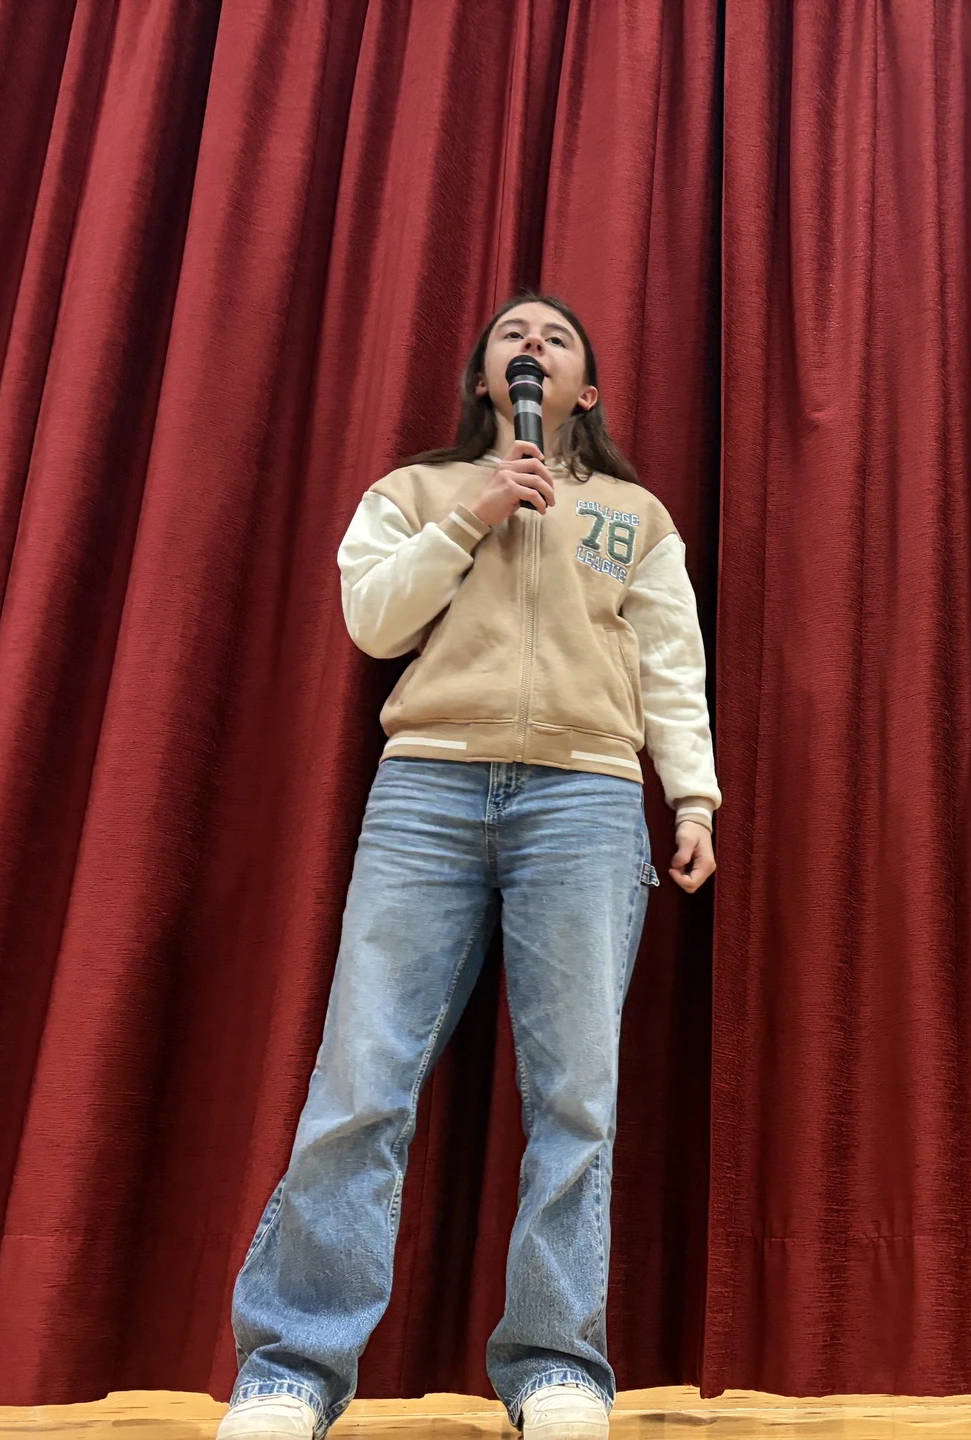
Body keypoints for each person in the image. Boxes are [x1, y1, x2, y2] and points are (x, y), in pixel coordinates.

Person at [217, 295, 719, 1440]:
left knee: (577, 1096)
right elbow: (372, 622)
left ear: (587, 389)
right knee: (361, 1082)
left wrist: (691, 795)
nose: (531, 345)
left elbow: (670, 662)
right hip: (429, 791)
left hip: (587, 797)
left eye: (556, 337)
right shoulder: (414, 491)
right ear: (485, 379)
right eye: (512, 336)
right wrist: (474, 513)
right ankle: (292, 1370)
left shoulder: (635, 516)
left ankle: (557, 1365)